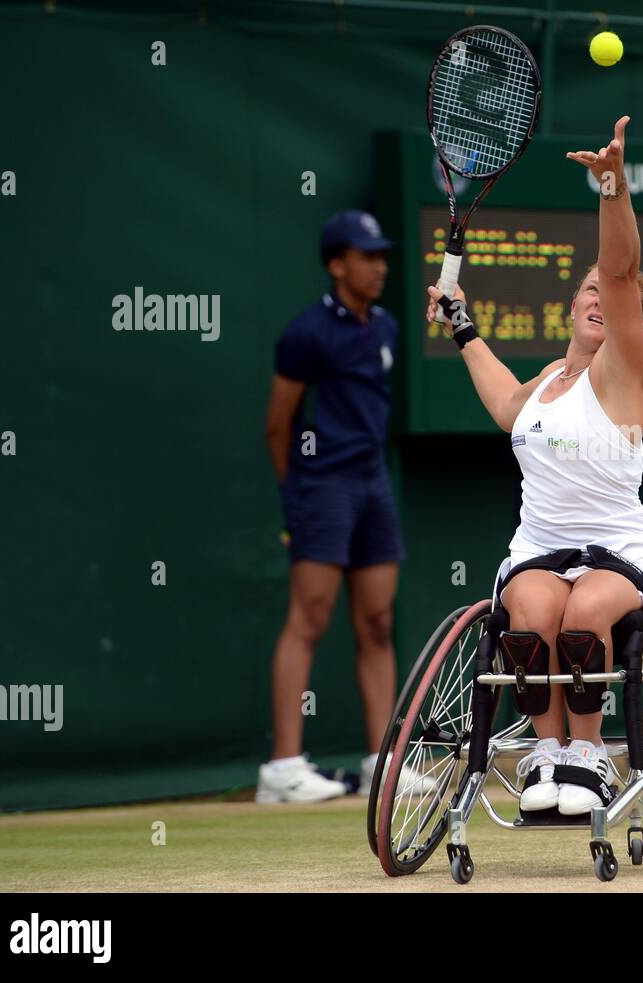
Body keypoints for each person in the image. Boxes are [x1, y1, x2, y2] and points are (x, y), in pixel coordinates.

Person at [426, 116, 643, 817]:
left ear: (628, 317)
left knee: (586, 613)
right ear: (570, 304)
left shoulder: (625, 368)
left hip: (616, 553)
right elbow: (504, 405)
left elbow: (618, 266)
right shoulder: (553, 377)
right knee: (528, 616)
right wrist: (463, 324)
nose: (598, 295)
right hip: (537, 550)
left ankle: (590, 754)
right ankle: (551, 754)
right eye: (586, 289)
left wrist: (611, 184)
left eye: (610, 295)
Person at [258, 210, 430, 803]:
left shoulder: (386, 328)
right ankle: (282, 769)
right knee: (309, 618)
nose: (379, 266)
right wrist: (298, 495)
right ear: (337, 265)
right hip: (322, 487)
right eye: (366, 256)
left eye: (383, 255)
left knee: (378, 623)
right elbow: (278, 427)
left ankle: (383, 760)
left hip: (373, 484)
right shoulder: (306, 333)